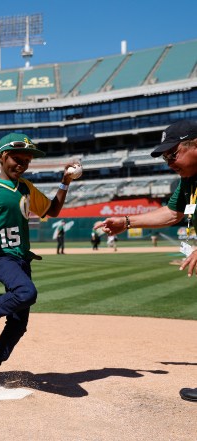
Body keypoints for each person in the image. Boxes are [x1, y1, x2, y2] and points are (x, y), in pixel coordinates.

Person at [0, 132, 76, 392]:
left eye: (27, 159)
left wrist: (65, 182)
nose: (22, 163)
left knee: (19, 324)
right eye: (16, 158)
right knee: (27, 292)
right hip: (0, 257)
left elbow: (52, 210)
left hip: (22, 260)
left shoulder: (26, 188)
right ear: (1, 157)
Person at [100, 119, 197, 403]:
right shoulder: (189, 179)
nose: (169, 162)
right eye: (166, 157)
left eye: (173, 154)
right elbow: (172, 215)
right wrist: (127, 221)